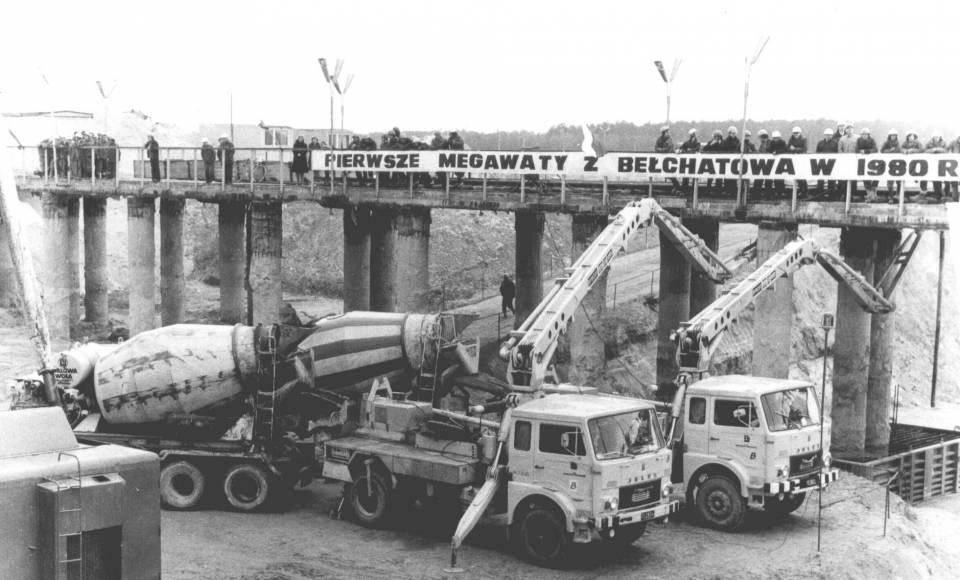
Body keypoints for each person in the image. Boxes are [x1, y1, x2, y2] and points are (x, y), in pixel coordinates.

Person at [923, 131, 949, 202]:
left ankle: (946, 195)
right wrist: (933, 150)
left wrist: (937, 149)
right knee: (935, 180)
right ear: (933, 137)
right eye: (935, 137)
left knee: (946, 180)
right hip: (933, 164)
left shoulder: (944, 143)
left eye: (938, 137)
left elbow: (946, 151)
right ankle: (937, 196)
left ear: (940, 137)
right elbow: (924, 150)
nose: (937, 138)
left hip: (943, 164)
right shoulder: (929, 143)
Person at [813, 128, 838, 199]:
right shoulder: (820, 143)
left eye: (830, 135)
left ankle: (831, 196)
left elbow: (837, 153)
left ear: (832, 135)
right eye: (827, 135)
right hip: (821, 164)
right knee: (820, 180)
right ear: (824, 135)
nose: (828, 136)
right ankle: (820, 195)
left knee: (831, 180)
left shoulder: (835, 143)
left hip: (831, 164)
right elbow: (817, 153)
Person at [856, 128, 879, 201]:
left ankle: (873, 194)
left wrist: (866, 151)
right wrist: (860, 151)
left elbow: (875, 149)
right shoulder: (859, 140)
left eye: (866, 134)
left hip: (872, 162)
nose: (864, 135)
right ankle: (870, 195)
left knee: (876, 177)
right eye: (863, 134)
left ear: (868, 135)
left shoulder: (872, 140)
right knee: (865, 178)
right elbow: (856, 149)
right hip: (862, 162)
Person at [655, 126, 680, 191]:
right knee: (670, 175)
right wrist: (663, 150)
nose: (668, 133)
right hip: (662, 159)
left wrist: (662, 150)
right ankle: (677, 187)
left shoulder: (669, 139)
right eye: (667, 131)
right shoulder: (659, 139)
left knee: (671, 174)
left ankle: (677, 187)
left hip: (670, 159)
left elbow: (670, 148)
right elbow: (656, 148)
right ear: (664, 132)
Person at [786, 126, 808, 197]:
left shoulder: (804, 139)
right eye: (794, 133)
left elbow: (804, 149)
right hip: (794, 160)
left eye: (797, 133)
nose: (795, 134)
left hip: (801, 160)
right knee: (797, 176)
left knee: (802, 176)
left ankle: (804, 192)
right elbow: (787, 148)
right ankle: (801, 191)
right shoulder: (791, 139)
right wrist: (792, 149)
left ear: (800, 133)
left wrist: (794, 149)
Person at [837, 123, 857, 198]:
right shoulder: (842, 139)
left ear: (853, 129)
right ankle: (844, 194)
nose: (849, 130)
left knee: (853, 179)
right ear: (845, 130)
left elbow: (859, 148)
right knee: (844, 178)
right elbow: (839, 149)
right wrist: (843, 157)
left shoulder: (857, 138)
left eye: (851, 128)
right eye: (848, 128)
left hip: (854, 161)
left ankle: (853, 194)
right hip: (845, 162)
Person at [880, 129, 901, 199]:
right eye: (892, 135)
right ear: (889, 136)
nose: (893, 137)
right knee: (890, 181)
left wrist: (894, 151)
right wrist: (889, 151)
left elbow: (899, 150)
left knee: (899, 180)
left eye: (894, 135)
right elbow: (882, 150)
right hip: (889, 164)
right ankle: (890, 196)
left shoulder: (898, 143)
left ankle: (898, 194)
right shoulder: (886, 143)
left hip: (897, 164)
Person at [767, 130, 788, 197]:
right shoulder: (772, 142)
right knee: (774, 177)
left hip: (781, 162)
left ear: (779, 137)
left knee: (780, 178)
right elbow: (769, 149)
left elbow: (785, 150)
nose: (775, 139)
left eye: (777, 138)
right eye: (774, 138)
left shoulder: (783, 142)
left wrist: (777, 152)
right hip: (773, 162)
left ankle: (781, 192)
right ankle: (776, 192)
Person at [678, 128, 700, 193]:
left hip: (692, 162)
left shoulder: (695, 143)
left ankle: (690, 190)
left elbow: (697, 149)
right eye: (694, 135)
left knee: (692, 177)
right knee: (688, 177)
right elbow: (680, 148)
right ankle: (687, 190)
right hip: (690, 162)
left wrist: (688, 150)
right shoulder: (688, 143)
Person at [702, 129, 724, 194]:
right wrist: (711, 145)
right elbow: (704, 149)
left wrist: (720, 144)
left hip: (720, 162)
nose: (717, 138)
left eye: (718, 136)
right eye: (715, 136)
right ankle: (708, 190)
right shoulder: (711, 142)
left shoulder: (723, 142)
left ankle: (718, 191)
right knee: (710, 177)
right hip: (712, 162)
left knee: (719, 178)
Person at [721, 126, 741, 197]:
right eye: (732, 133)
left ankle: (733, 192)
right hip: (727, 161)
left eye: (734, 133)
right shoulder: (725, 141)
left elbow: (739, 149)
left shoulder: (738, 141)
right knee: (727, 177)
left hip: (735, 161)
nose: (733, 134)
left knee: (734, 177)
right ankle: (727, 191)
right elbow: (723, 150)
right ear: (729, 133)